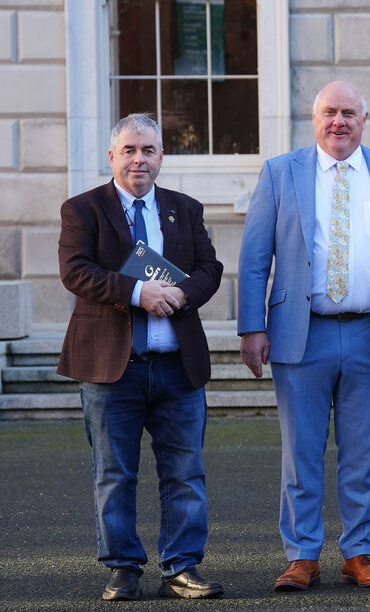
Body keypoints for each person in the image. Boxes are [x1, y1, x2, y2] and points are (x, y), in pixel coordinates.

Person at [238, 81, 370, 592]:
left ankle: (357, 552)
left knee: (364, 452)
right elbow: (254, 259)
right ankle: (302, 555)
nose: (338, 121)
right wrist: (252, 327)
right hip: (301, 334)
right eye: (329, 112)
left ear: (364, 120)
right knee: (301, 453)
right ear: (314, 118)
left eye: (348, 113)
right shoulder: (281, 172)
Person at [57, 113, 225, 601]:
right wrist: (138, 292)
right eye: (129, 150)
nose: (139, 159)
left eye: (148, 150)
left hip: (177, 368)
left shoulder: (185, 209)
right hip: (113, 369)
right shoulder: (82, 209)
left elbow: (209, 268)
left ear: (161, 157)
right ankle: (122, 568)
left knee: (185, 472)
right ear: (112, 156)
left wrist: (182, 294)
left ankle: (182, 566)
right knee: (114, 474)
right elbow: (75, 270)